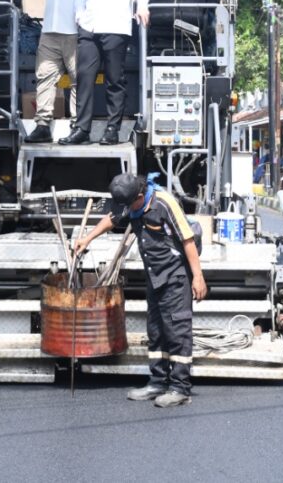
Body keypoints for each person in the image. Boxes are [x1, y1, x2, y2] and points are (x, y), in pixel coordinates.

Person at [74, 173, 207, 407]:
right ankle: (157, 382)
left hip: (175, 275)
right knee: (156, 331)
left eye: (128, 204)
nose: (125, 209)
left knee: (177, 332)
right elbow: (113, 218)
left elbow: (187, 239)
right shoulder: (131, 202)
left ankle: (179, 388)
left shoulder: (164, 203)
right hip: (155, 277)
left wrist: (197, 277)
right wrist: (87, 238)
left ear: (139, 195)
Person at [59, 0, 150, 146]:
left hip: (116, 26)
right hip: (89, 26)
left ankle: (112, 129)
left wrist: (142, 6)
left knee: (114, 79)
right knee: (83, 78)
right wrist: (79, 15)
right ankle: (81, 129)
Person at [4, 0, 90, 143]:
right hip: (50, 32)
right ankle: (42, 126)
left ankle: (77, 127)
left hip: (77, 33)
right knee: (44, 78)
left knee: (77, 81)